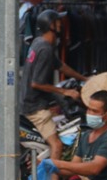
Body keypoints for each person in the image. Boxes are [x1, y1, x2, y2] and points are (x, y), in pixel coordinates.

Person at [20, 9, 88, 162]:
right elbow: (37, 83)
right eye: (58, 22)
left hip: (31, 102)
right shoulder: (45, 48)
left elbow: (61, 66)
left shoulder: (39, 43)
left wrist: (84, 78)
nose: (61, 25)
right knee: (57, 145)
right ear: (51, 25)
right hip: (35, 107)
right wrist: (65, 92)